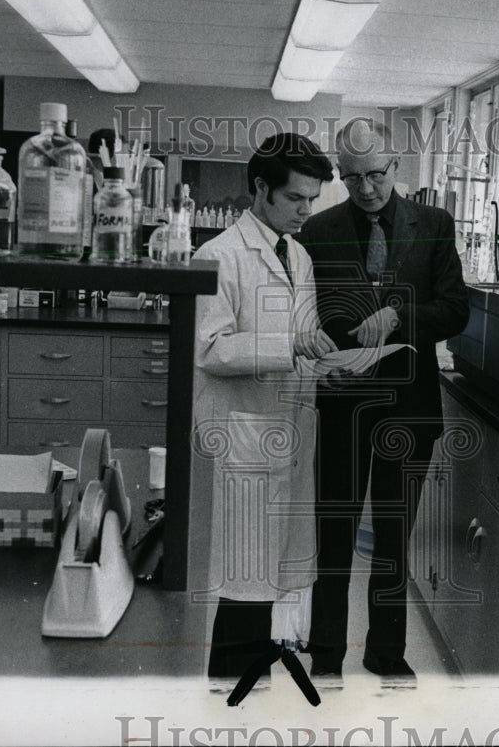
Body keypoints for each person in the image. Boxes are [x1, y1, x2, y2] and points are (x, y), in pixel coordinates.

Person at [296, 119, 469, 682]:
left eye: (375, 174)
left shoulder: (435, 226)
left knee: (394, 538)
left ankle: (386, 654)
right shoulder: (317, 233)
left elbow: (456, 310)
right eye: (352, 179)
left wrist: (401, 315)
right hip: (343, 403)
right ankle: (326, 656)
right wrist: (321, 366)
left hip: (409, 408)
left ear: (395, 165)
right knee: (335, 535)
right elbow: (304, 317)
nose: (366, 188)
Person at [191, 133, 337, 688]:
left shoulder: (298, 255)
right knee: (241, 585)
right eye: (297, 198)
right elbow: (209, 347)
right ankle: (228, 700)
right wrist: (290, 348)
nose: (306, 211)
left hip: (288, 429)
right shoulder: (219, 255)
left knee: (270, 578)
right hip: (244, 439)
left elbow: (302, 335)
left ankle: (251, 690)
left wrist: (327, 357)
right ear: (260, 188)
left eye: (312, 200)